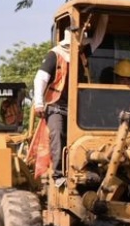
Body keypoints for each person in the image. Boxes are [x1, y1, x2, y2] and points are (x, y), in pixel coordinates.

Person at [33, 14, 108, 184]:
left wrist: (104, 16)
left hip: (79, 109)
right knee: (57, 133)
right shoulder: (55, 55)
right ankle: (58, 175)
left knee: (91, 135)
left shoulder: (81, 54)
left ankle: (90, 171)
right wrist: (38, 103)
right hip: (57, 106)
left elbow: (97, 39)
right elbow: (40, 78)